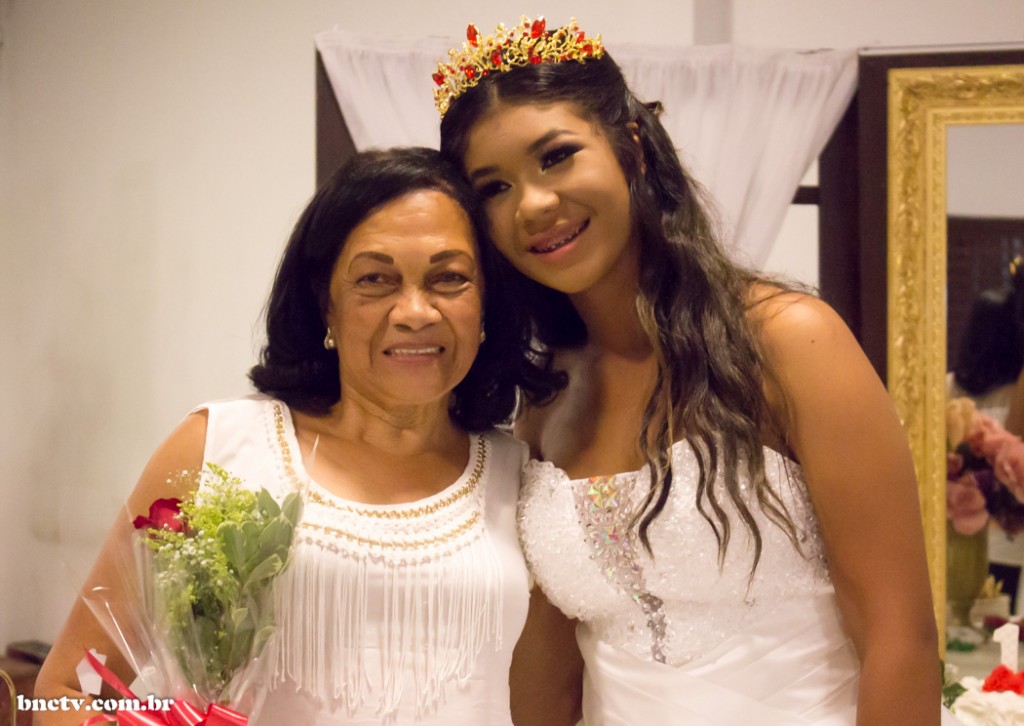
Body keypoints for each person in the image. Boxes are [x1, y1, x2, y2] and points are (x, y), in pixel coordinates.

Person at [434, 17, 943, 725]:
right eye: (493, 188)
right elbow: (550, 683)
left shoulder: (790, 342)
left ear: (632, 149)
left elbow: (901, 639)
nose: (534, 205)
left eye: (556, 157)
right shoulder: (548, 397)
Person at [35, 147, 549, 725]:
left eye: (449, 278)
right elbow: (60, 690)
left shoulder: (522, 475)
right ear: (324, 302)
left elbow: (543, 707)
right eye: (375, 279)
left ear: (486, 303)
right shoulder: (219, 447)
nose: (414, 311)